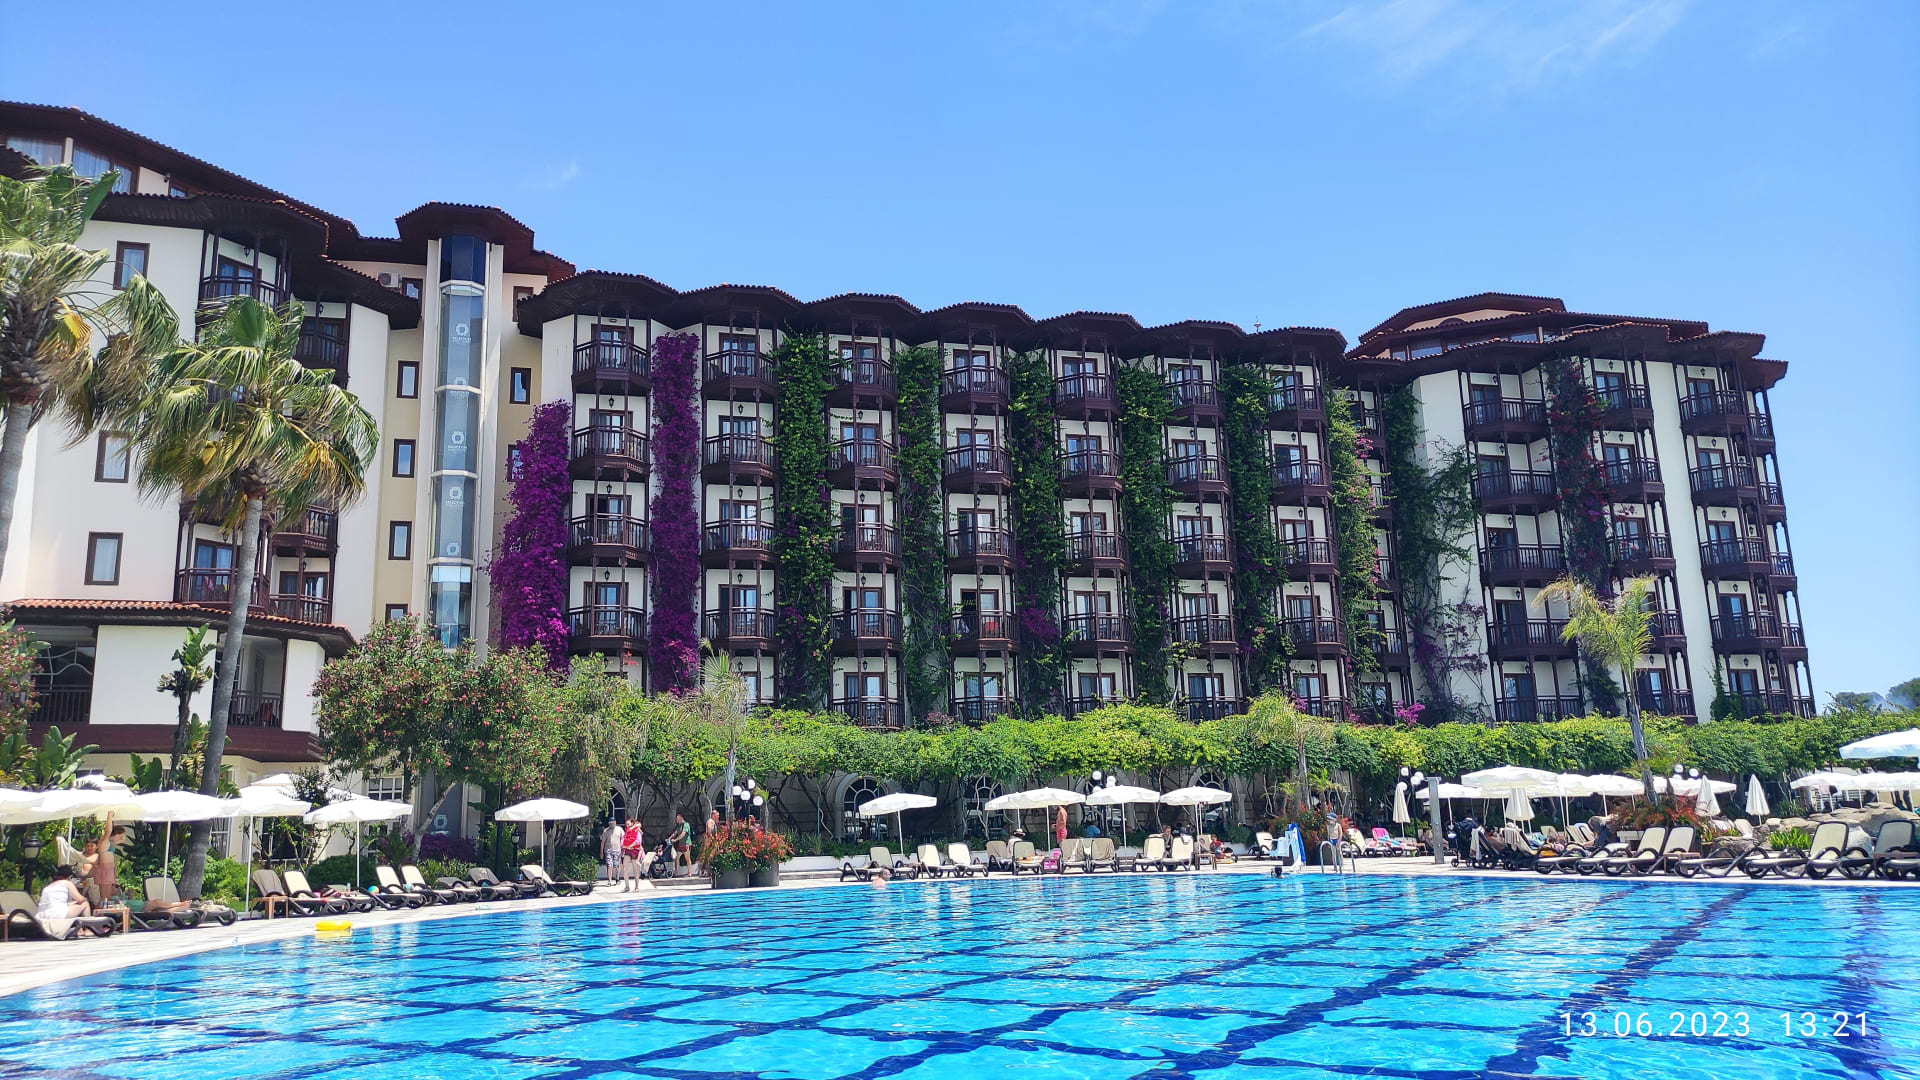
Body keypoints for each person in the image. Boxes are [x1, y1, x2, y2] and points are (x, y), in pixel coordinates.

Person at [37, 867, 100, 938]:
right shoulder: (67, 883)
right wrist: (84, 898)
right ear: (69, 876)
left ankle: (79, 930)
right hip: (58, 914)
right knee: (85, 903)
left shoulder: (48, 886)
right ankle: (88, 929)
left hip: (43, 915)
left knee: (72, 904)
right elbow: (79, 899)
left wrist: (73, 903)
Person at [91, 823, 125, 904]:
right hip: (105, 869)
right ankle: (103, 908)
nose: (122, 838)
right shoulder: (105, 840)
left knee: (108, 895)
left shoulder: (110, 842)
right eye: (120, 835)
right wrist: (109, 816)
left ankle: (106, 907)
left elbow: (122, 840)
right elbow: (108, 830)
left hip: (109, 869)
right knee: (105, 895)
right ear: (115, 834)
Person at [620, 820, 644, 891]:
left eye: (628, 824)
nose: (627, 826)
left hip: (635, 851)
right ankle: (627, 886)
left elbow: (638, 841)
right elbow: (623, 840)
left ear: (632, 824)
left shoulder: (637, 831)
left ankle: (636, 887)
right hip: (628, 850)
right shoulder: (627, 832)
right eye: (626, 824)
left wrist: (629, 846)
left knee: (635, 869)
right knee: (624, 868)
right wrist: (625, 846)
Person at [601, 819, 625, 889]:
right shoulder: (606, 831)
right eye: (610, 823)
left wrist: (623, 848)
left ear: (615, 822)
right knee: (609, 865)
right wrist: (601, 852)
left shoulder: (619, 829)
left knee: (617, 865)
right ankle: (609, 880)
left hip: (617, 851)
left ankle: (617, 878)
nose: (611, 825)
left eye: (613, 823)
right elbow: (602, 842)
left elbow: (623, 838)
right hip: (608, 851)